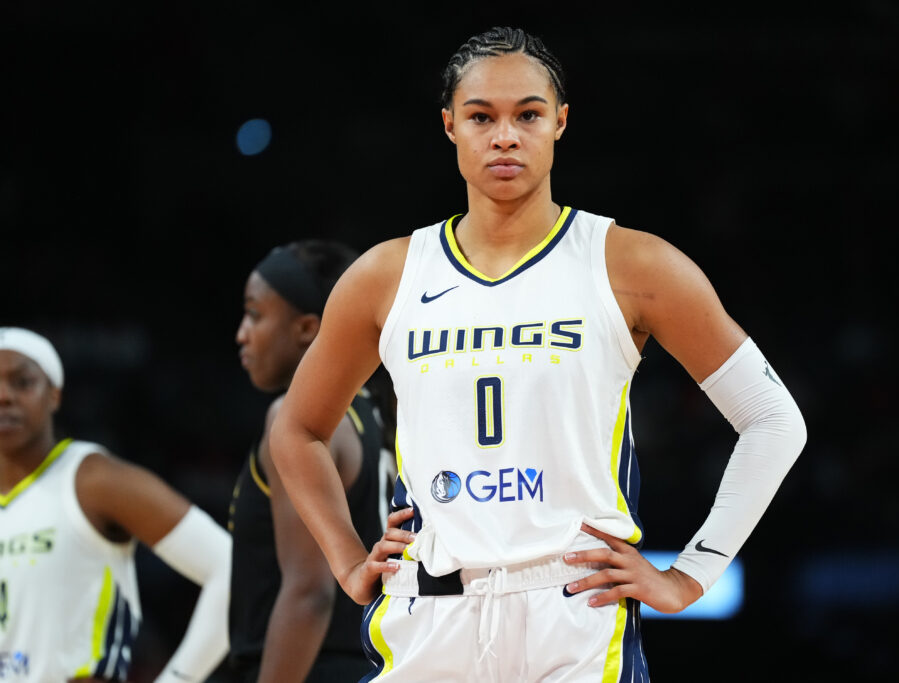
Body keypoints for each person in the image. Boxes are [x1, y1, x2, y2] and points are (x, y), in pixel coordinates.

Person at [269, 26, 808, 682]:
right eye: (481, 116)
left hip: (574, 610)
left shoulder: (632, 263)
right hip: (428, 610)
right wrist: (348, 561)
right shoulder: (387, 275)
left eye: (527, 114)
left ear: (560, 122)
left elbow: (773, 419)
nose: (504, 136)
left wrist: (692, 573)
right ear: (449, 126)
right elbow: (296, 430)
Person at [0, 326, 230, 683]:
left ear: (54, 395)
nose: (4, 396)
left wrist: (179, 679)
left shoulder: (93, 480)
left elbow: (228, 565)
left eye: (23, 382)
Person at [228, 240, 400, 682]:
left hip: (309, 668)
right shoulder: (378, 416)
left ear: (307, 328)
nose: (242, 333)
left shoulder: (297, 425)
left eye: (255, 314)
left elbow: (310, 593)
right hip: (375, 661)